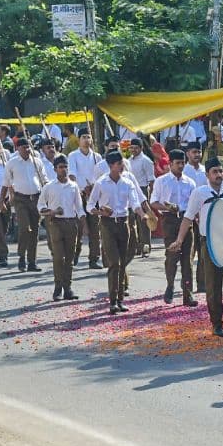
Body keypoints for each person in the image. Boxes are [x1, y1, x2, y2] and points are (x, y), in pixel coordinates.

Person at [171, 158, 223, 337]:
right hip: (209, 243)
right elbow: (188, 217)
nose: (218, 175)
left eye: (220, 171)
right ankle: (217, 324)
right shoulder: (199, 193)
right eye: (214, 172)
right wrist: (179, 239)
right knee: (213, 287)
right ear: (207, 175)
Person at [87, 150, 147, 314]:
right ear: (111, 165)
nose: (122, 166)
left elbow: (135, 202)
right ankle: (112, 301)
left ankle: (120, 299)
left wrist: (142, 214)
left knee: (122, 262)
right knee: (114, 262)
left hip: (124, 223)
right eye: (119, 163)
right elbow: (90, 205)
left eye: (123, 163)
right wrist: (101, 212)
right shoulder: (101, 182)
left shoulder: (127, 182)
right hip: (107, 224)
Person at [151, 150, 198, 305]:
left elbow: (194, 204)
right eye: (177, 163)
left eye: (182, 163)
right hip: (170, 220)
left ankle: (187, 293)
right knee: (172, 257)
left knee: (188, 259)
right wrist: (167, 208)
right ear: (170, 164)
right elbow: (154, 203)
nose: (180, 166)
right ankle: (170, 285)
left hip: (187, 220)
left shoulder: (190, 182)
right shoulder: (161, 181)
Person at [37, 154, 84, 301]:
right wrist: (49, 212)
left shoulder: (74, 186)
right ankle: (58, 288)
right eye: (60, 167)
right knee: (58, 257)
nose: (63, 170)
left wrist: (84, 224)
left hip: (71, 223)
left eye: (65, 167)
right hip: (55, 223)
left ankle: (67, 288)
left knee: (69, 258)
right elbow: (40, 206)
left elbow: (79, 208)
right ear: (55, 169)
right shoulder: (49, 187)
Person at [3, 136, 46, 272]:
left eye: (29, 147)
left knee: (35, 230)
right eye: (24, 147)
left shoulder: (37, 162)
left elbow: (44, 179)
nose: (27, 150)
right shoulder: (12, 163)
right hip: (21, 199)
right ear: (17, 149)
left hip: (36, 198)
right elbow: (8, 181)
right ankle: (21, 257)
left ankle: (32, 261)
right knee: (24, 229)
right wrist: (9, 196)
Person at [67, 128, 103, 269]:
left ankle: (94, 258)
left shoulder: (97, 157)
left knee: (95, 229)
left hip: (94, 196)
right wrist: (81, 189)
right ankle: (74, 256)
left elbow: (100, 176)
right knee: (79, 228)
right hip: (80, 195)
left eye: (89, 137)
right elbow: (72, 175)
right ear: (79, 139)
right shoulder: (73, 156)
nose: (86, 140)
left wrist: (93, 188)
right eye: (84, 137)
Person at [128, 139, 157, 257]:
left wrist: (151, 198)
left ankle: (146, 247)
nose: (133, 150)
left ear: (141, 148)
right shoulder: (128, 161)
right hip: (130, 191)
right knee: (132, 220)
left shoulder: (146, 161)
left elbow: (151, 180)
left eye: (136, 148)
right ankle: (137, 247)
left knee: (144, 221)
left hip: (143, 190)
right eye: (132, 147)